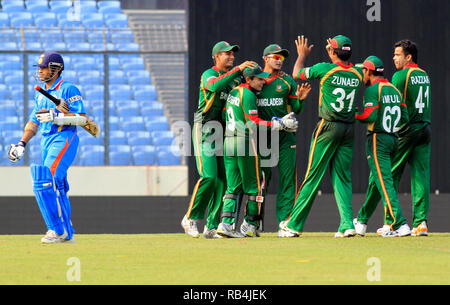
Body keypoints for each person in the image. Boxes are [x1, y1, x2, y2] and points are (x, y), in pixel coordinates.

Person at [279, 35, 363, 238]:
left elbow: (297, 74)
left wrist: (301, 55)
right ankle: (347, 224)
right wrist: (335, 49)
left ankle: (294, 224)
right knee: (343, 177)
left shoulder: (325, 68)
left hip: (327, 126)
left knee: (313, 175)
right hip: (349, 128)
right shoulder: (358, 72)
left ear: (333, 52)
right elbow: (354, 64)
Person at [7, 51, 87, 243]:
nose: (41, 71)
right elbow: (34, 122)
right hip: (47, 140)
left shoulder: (68, 89)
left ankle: (58, 231)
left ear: (56, 69)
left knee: (48, 179)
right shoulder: (41, 94)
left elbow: (82, 118)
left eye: (45, 67)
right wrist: (22, 143)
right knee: (52, 184)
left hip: (64, 138)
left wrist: (56, 116)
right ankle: (64, 231)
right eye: (40, 68)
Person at [354, 40, 431, 236]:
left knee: (383, 176)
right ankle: (420, 222)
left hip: (405, 130)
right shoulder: (424, 74)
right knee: (420, 176)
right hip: (425, 128)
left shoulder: (400, 76)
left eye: (397, 54)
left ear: (408, 57)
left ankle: (389, 223)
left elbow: (394, 102)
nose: (394, 58)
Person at [181, 41, 258, 238]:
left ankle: (212, 226)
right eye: (227, 54)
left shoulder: (234, 82)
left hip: (224, 132)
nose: (232, 57)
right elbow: (214, 86)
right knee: (209, 176)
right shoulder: (209, 74)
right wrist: (239, 70)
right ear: (216, 56)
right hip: (205, 128)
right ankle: (190, 217)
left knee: (223, 180)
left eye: (233, 54)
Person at [217, 65, 301, 238]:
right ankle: (250, 225)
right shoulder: (248, 95)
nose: (263, 81)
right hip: (244, 143)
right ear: (248, 80)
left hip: (228, 141)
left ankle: (225, 225)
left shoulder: (234, 92)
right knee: (255, 186)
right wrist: (279, 124)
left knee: (232, 186)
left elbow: (226, 115)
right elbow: (253, 123)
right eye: (259, 79)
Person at [352, 56, 411, 237]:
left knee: (384, 183)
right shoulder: (394, 88)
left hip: (378, 140)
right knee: (376, 183)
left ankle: (400, 224)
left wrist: (354, 115)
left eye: (363, 70)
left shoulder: (372, 90)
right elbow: (405, 119)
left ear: (369, 71)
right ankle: (361, 221)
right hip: (393, 139)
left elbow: (369, 116)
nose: (362, 73)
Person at [255, 44, 310, 235]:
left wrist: (300, 100)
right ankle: (254, 222)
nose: (279, 60)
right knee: (261, 180)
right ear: (265, 59)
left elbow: (296, 109)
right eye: (275, 57)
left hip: (285, 137)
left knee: (288, 179)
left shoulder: (287, 81)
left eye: (282, 57)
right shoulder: (255, 80)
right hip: (263, 137)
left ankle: (285, 222)